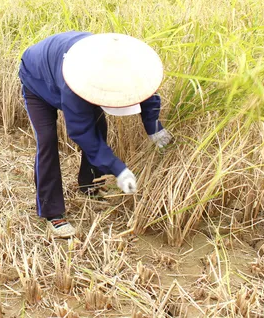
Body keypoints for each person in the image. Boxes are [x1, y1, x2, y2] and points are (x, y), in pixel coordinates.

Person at [18, 31, 172, 238]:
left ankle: (89, 185)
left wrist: (154, 129)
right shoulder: (75, 83)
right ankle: (52, 213)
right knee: (47, 141)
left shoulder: (124, 66)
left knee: (100, 126)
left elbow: (145, 95)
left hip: (64, 64)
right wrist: (119, 170)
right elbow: (81, 132)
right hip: (37, 79)